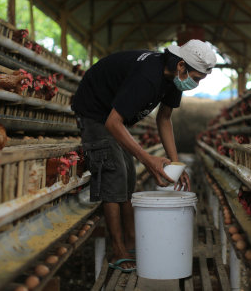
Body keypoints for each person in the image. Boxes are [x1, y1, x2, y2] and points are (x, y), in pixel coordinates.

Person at [72, 39, 217, 272]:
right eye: (197, 77)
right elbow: (112, 122)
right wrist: (148, 160)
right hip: (95, 111)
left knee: (129, 175)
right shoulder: (147, 78)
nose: (196, 84)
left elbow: (164, 118)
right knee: (114, 173)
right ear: (181, 65)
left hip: (112, 115)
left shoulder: (174, 81)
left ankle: (130, 242)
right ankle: (117, 249)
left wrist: (176, 164)